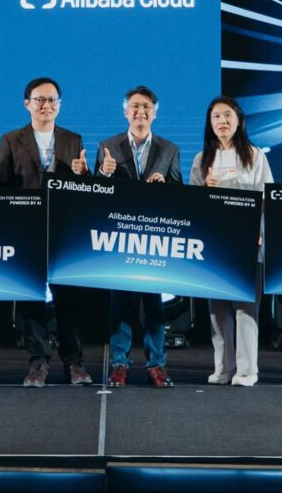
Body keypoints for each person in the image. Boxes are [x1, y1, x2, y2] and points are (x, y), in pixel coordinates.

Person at [0, 76, 93, 387]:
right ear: (27, 104)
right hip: (27, 231)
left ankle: (74, 361)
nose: (45, 105)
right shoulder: (11, 140)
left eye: (51, 100)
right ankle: (38, 362)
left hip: (64, 232)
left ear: (59, 106)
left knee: (68, 300)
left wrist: (83, 175)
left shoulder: (73, 140)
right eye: (39, 100)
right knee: (31, 299)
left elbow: (84, 191)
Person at [96, 85, 181, 388]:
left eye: (146, 106)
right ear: (125, 111)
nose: (140, 111)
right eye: (134, 106)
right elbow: (96, 195)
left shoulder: (170, 149)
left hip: (155, 238)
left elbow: (179, 193)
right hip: (120, 237)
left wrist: (164, 184)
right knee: (120, 304)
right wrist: (104, 174)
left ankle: (156, 364)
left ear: (155, 112)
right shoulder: (108, 146)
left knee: (154, 305)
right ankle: (119, 363)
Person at [189, 96, 273, 387]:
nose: (222, 121)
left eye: (227, 115)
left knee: (245, 308)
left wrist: (259, 229)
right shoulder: (202, 160)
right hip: (214, 243)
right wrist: (206, 190)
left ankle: (247, 371)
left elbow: (267, 197)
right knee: (216, 310)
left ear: (239, 120)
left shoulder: (255, 155)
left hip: (249, 240)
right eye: (216, 117)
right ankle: (223, 368)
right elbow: (192, 205)